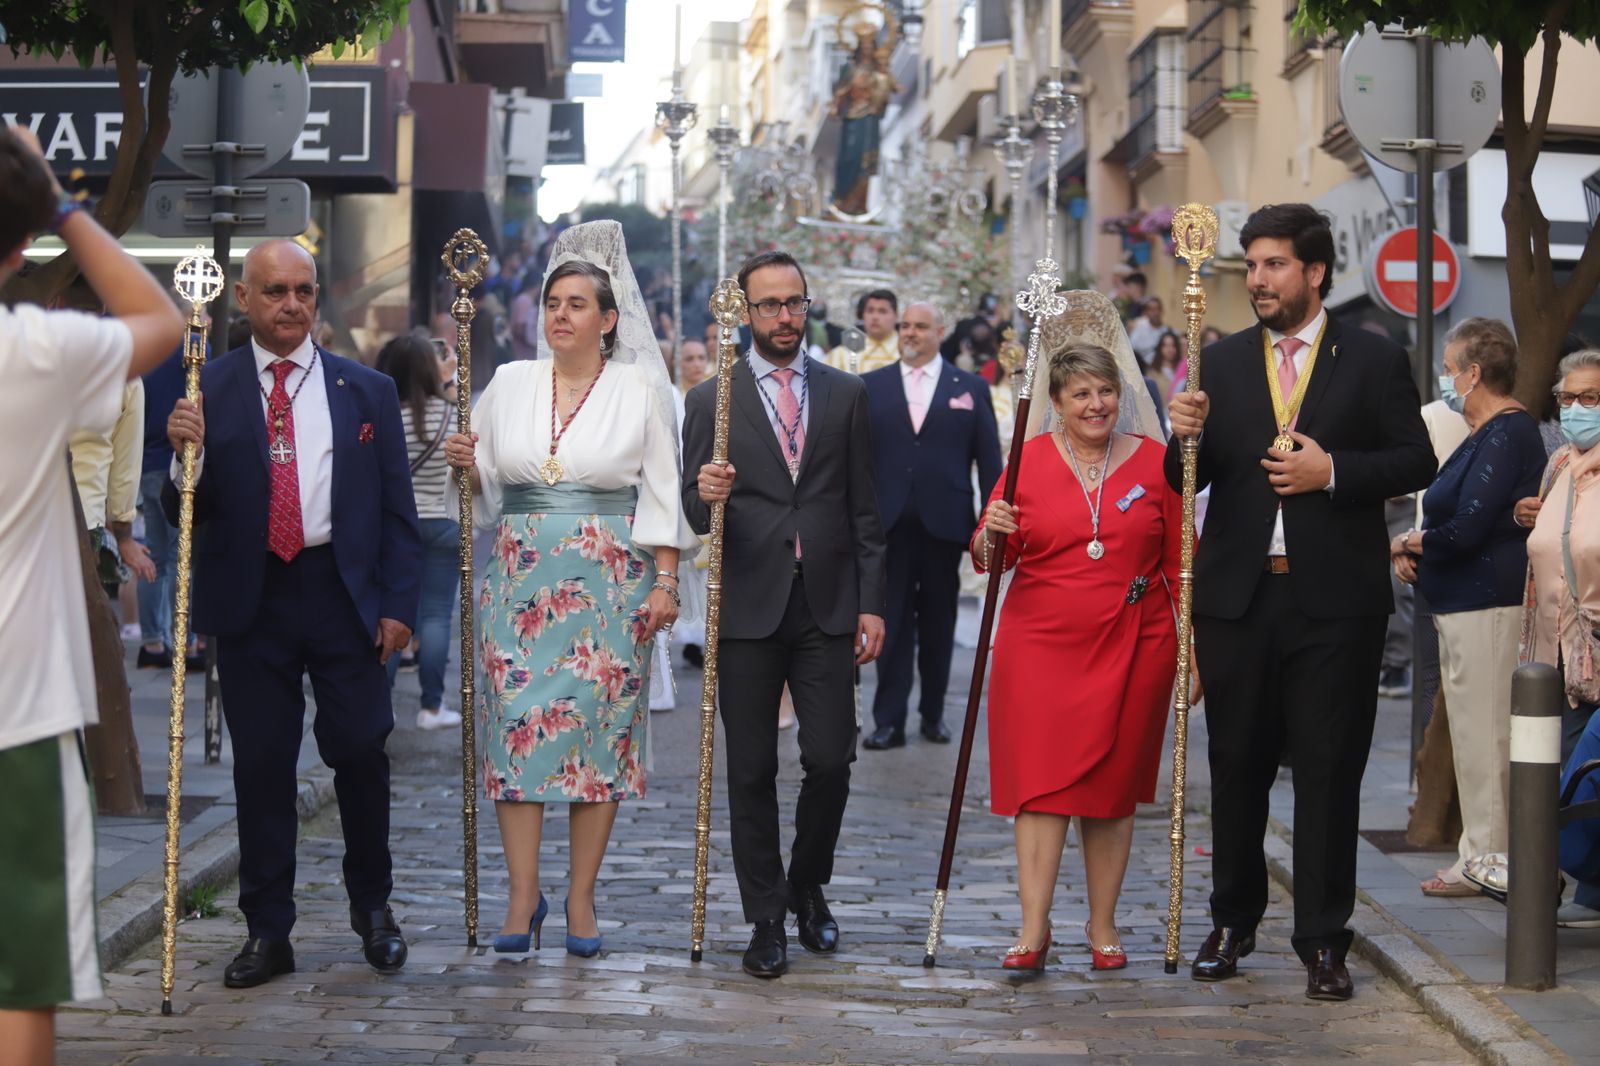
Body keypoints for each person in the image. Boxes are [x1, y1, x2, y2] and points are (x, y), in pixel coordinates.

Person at [1165, 202, 1434, 1001]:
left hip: (1335, 604)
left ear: (1315, 272)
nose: (1257, 280)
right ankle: (1232, 920)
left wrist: (1334, 474)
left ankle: (1323, 939)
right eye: (1249, 266)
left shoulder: (1375, 359)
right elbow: (1190, 480)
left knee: (1328, 771)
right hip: (1238, 600)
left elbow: (1414, 459)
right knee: (1235, 763)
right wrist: (1183, 435)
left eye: (1273, 264)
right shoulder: (1223, 361)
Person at [164, 238, 423, 989]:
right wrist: (189, 457)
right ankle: (267, 930)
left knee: (362, 753)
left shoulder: (364, 390)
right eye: (275, 291)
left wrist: (399, 606)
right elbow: (185, 510)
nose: (291, 305)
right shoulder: (204, 387)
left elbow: (396, 512)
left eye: (304, 291)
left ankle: (374, 910)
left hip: (343, 594)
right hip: (252, 599)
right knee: (264, 768)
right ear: (243, 299)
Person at [444, 220, 696, 958]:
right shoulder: (509, 382)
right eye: (553, 301)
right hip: (520, 581)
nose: (561, 314)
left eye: (578, 304)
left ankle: (581, 898)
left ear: (608, 320)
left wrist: (667, 582)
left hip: (610, 589)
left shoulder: (639, 389)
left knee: (598, 746)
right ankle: (524, 897)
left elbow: (660, 493)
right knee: (515, 743)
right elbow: (484, 493)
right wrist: (466, 461)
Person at [0, 125, 184, 1066]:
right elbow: (159, 320)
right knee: (21, 979)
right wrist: (60, 202)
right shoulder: (34, 352)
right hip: (19, 714)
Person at [684, 250, 887, 978]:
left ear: (809, 305)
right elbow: (692, 509)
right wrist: (706, 489)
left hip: (829, 601)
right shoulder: (713, 400)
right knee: (749, 771)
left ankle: (808, 881)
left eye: (794, 302)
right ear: (743, 311)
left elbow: (865, 507)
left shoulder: (845, 395)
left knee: (831, 758)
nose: (783, 317)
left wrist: (873, 603)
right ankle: (766, 917)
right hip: (746, 601)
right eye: (768, 305)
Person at [974, 326, 1175, 971]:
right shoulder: (1026, 459)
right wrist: (993, 533)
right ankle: (1034, 928)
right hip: (1039, 646)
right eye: (1081, 393)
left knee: (1111, 788)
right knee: (1038, 787)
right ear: (1056, 403)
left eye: (1106, 391)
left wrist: (1191, 650)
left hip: (1135, 641)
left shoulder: (1155, 460)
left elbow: (1179, 564)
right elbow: (985, 554)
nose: (1096, 404)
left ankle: (1104, 925)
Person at [1389, 318, 1544, 897]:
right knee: (1475, 738)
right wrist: (1419, 549)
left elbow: (1467, 527)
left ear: (1474, 373)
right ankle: (1478, 854)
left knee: (1488, 739)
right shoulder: (1480, 434)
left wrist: (1408, 542)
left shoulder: (1507, 432)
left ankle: (1491, 859)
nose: (1446, 380)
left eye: (1451, 369)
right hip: (1461, 601)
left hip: (1487, 600)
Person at [861, 301, 1001, 749]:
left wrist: (990, 522)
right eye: (905, 326)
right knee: (891, 622)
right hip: (889, 524)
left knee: (939, 623)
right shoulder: (871, 386)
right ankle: (888, 721)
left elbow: (990, 461)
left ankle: (934, 715)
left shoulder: (971, 388)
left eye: (921, 326)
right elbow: (855, 461)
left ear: (940, 331)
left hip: (946, 523)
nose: (910, 333)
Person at [1517, 348, 1600, 925]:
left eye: (1590, 398)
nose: (1575, 408)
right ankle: (1577, 888)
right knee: (1565, 778)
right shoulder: (1558, 466)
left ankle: (1555, 879)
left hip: (1595, 648)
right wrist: (1537, 514)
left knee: (1579, 782)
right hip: (1556, 658)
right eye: (1567, 398)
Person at [375, 331, 463, 733]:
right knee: (436, 615)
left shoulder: (384, 415)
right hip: (444, 522)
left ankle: (381, 703)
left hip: (397, 528)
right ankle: (431, 706)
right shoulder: (452, 416)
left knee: (392, 614)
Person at [830, 28, 894, 216]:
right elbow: (841, 91)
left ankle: (859, 204)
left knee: (867, 160)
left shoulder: (879, 71)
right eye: (864, 47)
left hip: (870, 120)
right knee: (850, 159)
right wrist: (836, 107)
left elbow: (885, 93)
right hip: (853, 119)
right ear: (859, 49)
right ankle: (843, 200)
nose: (867, 51)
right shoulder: (850, 69)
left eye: (870, 47)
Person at [826, 288, 900, 374]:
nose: (875, 317)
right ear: (863, 315)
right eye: (870, 311)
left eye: (882, 311)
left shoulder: (907, 353)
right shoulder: (841, 355)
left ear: (896, 316)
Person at [1126, 295, 1168, 366]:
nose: (1155, 313)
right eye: (1151, 309)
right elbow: (1133, 346)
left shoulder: (1166, 331)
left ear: (1162, 311)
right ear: (1147, 312)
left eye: (1157, 309)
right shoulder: (1140, 325)